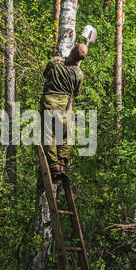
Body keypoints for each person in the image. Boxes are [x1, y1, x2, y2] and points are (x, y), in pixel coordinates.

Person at [41, 43, 88, 180]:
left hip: (49, 102)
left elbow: (46, 74)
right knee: (66, 136)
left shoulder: (55, 62)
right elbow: (77, 92)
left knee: (49, 133)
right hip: (66, 106)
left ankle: (54, 164)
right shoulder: (79, 73)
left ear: (72, 50)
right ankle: (62, 164)